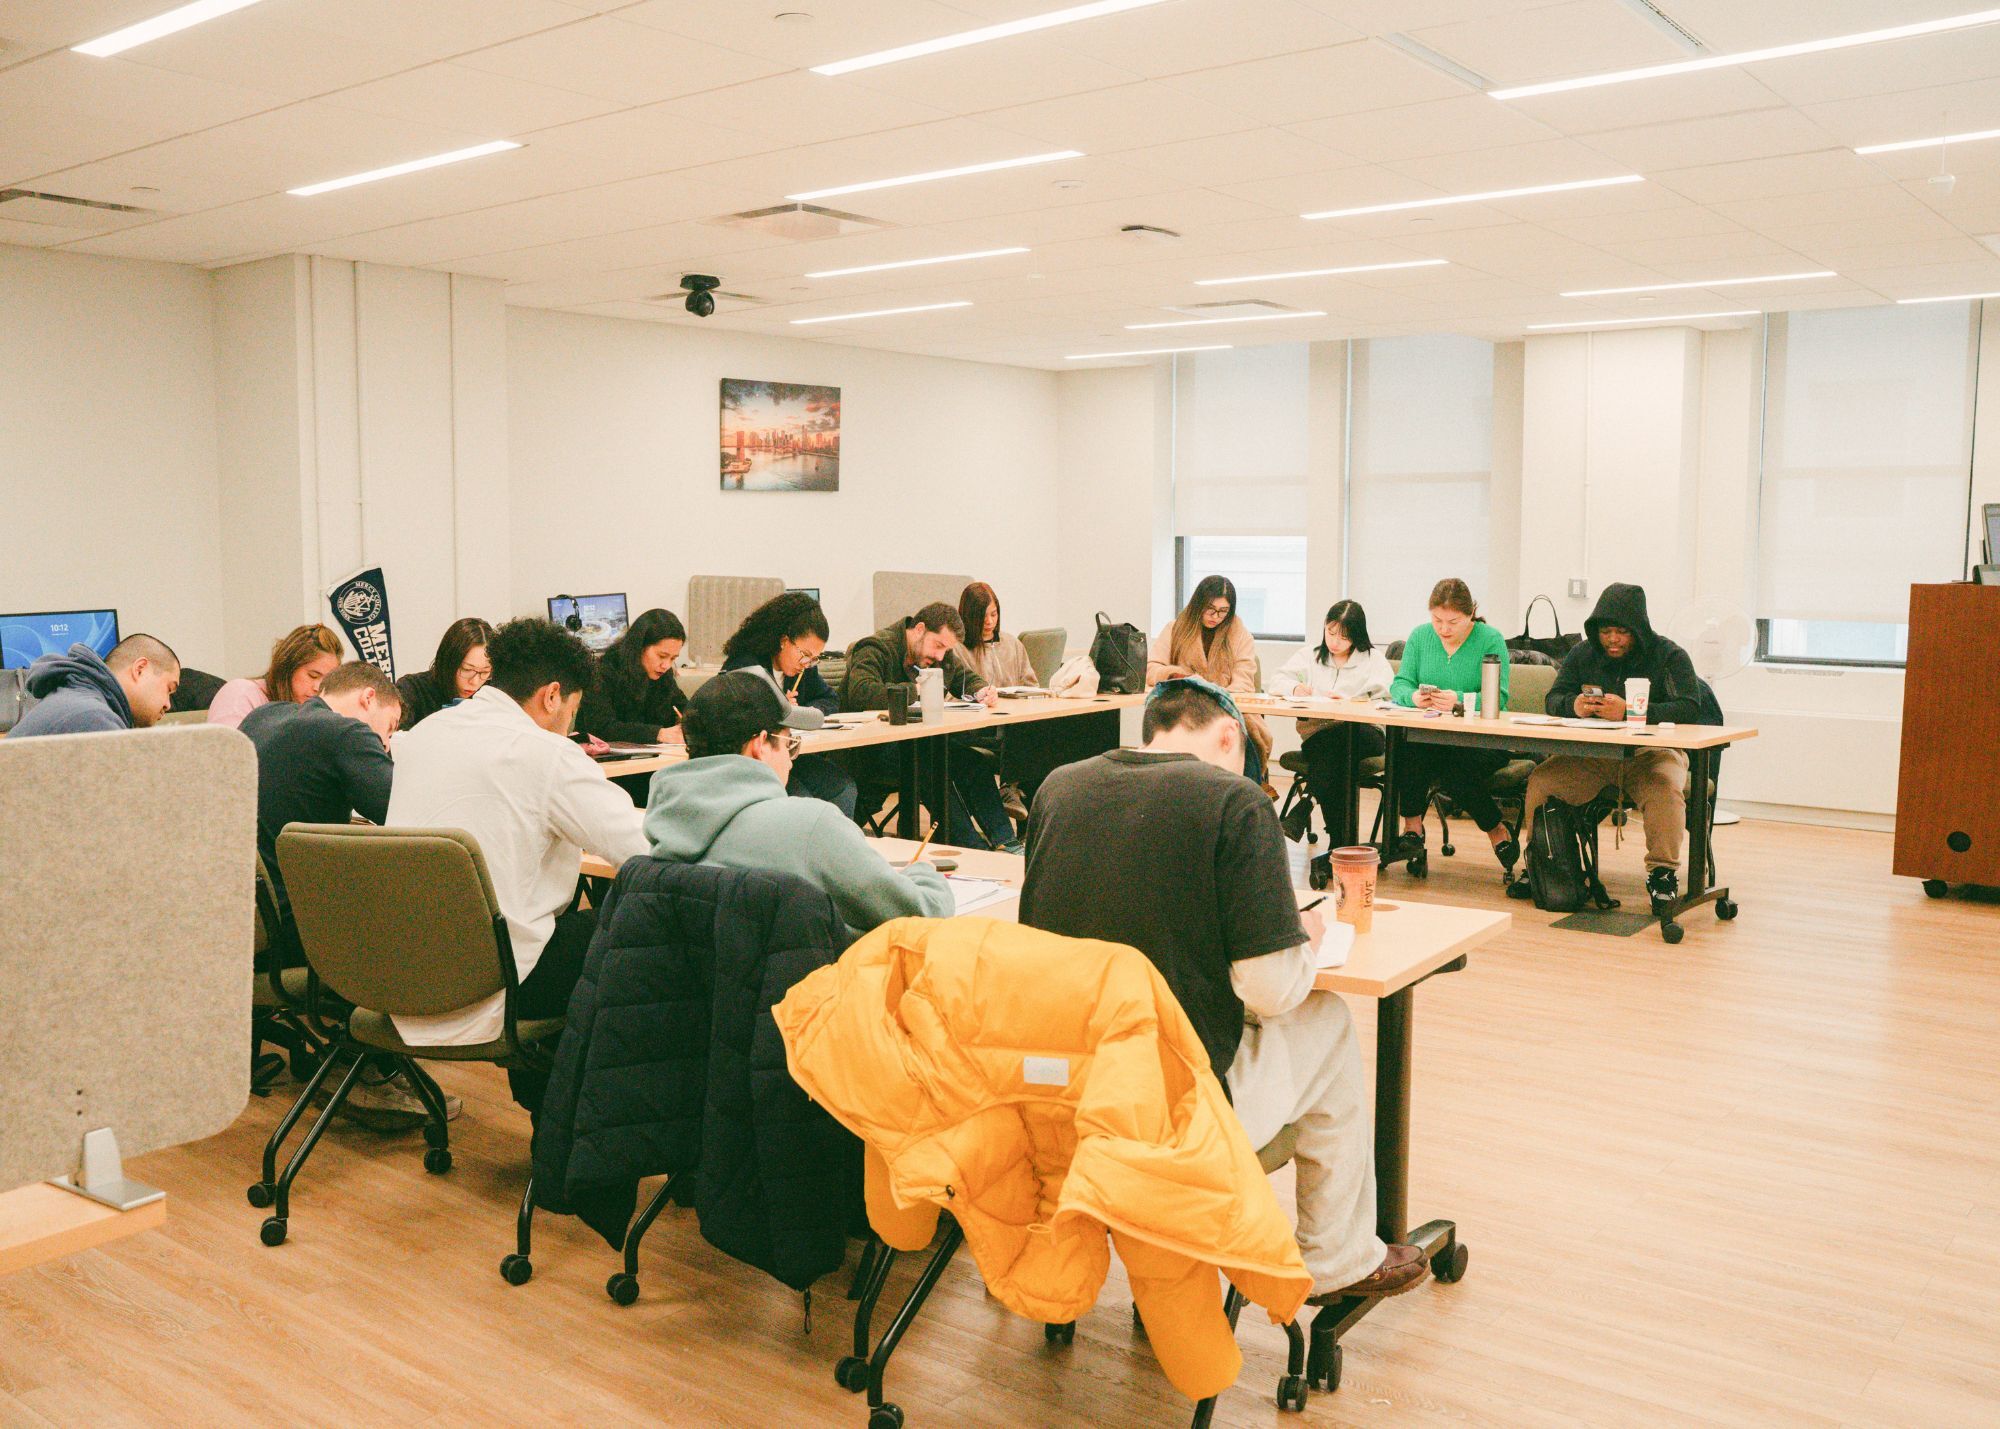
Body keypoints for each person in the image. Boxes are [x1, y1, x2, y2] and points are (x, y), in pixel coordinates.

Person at [1020, 677, 1427, 1304]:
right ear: (1229, 734)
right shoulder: (1233, 801)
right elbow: (1268, 990)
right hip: (1175, 1107)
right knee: (1326, 1019)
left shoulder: (1059, 787)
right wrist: (1302, 940)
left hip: (1062, 1094)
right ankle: (1336, 1257)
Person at [386, 618, 647, 1112]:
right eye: (573, 711)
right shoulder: (545, 753)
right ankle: (574, 1125)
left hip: (398, 977)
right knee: (640, 927)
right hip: (493, 982)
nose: (570, 726)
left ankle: (551, 1107)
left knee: (563, 927)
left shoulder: (423, 734)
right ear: (552, 696)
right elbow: (645, 848)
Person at [241, 663, 450, 1128]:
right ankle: (363, 1070)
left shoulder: (263, 719)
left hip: (249, 928)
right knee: (418, 925)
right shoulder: (345, 732)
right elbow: (406, 815)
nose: (385, 743)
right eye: (389, 729)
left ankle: (359, 1064)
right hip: (298, 932)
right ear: (368, 699)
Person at [645, 671, 953, 935]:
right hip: (814, 984)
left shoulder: (662, 828)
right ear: (760, 745)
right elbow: (923, 913)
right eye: (790, 744)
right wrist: (925, 873)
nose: (792, 762)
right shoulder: (810, 826)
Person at [1524, 582, 1703, 911]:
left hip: (1653, 754)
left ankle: (1662, 874)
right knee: (1543, 780)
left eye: (1622, 632)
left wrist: (1633, 712)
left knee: (1664, 789)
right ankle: (1540, 860)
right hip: (1594, 754)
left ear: (1639, 630)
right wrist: (1574, 706)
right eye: (1606, 632)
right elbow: (1553, 698)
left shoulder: (1669, 655)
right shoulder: (1582, 653)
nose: (1613, 639)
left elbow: (1691, 707)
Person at [839, 602, 1018, 852]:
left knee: (974, 763)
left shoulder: (938, 656)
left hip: (917, 745)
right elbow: (862, 692)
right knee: (930, 767)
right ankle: (975, 849)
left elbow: (964, 678)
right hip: (870, 750)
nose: (940, 657)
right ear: (920, 629)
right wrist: (915, 691)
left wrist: (981, 691)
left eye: (946, 650)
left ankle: (1008, 843)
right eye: (938, 646)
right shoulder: (875, 647)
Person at [1389, 578, 1517, 872]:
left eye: (1453, 622)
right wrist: (1413, 697)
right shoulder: (1420, 636)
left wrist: (1459, 701)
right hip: (1432, 737)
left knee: (1453, 766)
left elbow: (1498, 697)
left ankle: (1496, 829)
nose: (1444, 629)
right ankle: (1412, 829)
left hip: (1482, 741)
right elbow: (1399, 684)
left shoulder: (1490, 639)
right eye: (1437, 620)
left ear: (1470, 614)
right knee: (1407, 749)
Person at [720, 591, 857, 816]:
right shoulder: (746, 666)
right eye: (805, 654)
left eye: (814, 658)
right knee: (804, 804)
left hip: (792, 755)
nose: (807, 663)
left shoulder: (803, 668)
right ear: (784, 641)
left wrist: (800, 712)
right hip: (759, 761)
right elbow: (742, 720)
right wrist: (780, 709)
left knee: (843, 788)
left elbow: (829, 698)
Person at [1269, 600, 1394, 844]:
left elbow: (1389, 699)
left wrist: (1350, 702)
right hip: (1320, 734)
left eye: (1344, 637)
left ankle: (1308, 807)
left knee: (1335, 746)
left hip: (1365, 734)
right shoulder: (1310, 655)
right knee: (1335, 758)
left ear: (1357, 636)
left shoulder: (1373, 660)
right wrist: (1295, 688)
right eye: (1331, 632)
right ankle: (1339, 845)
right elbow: (1277, 681)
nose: (1335, 641)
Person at [1148, 575, 1272, 786]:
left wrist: (1217, 697)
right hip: (1184, 709)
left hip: (1228, 709)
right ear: (1198, 604)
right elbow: (1152, 668)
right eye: (1210, 609)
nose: (1216, 616)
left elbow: (1243, 682)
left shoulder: (1240, 635)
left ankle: (1249, 792)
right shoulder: (1175, 629)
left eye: (1223, 611)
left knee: (1243, 737)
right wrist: (1176, 674)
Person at [7, 635, 179, 737]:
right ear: (140, 669)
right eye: (169, 689)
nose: (168, 704)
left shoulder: (78, 701)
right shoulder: (93, 718)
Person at [576, 607, 688, 746]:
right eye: (662, 656)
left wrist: (689, 721)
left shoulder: (663, 674)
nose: (666, 665)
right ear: (639, 647)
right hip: (600, 755)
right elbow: (601, 727)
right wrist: (659, 734)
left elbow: (683, 705)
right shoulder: (603, 671)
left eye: (673, 658)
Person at [207, 624, 343, 730]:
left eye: (327, 681)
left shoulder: (317, 711)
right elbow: (228, 754)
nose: (318, 688)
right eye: (312, 676)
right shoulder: (241, 693)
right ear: (288, 668)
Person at [395, 617, 494, 730]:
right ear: (448, 661)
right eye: (467, 669)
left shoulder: (493, 693)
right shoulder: (413, 689)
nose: (474, 682)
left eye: (485, 672)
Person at [957, 582, 1036, 688]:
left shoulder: (1013, 644)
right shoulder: (957, 649)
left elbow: (1031, 686)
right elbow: (950, 694)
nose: (989, 621)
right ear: (969, 616)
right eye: (982, 616)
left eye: (993, 614)